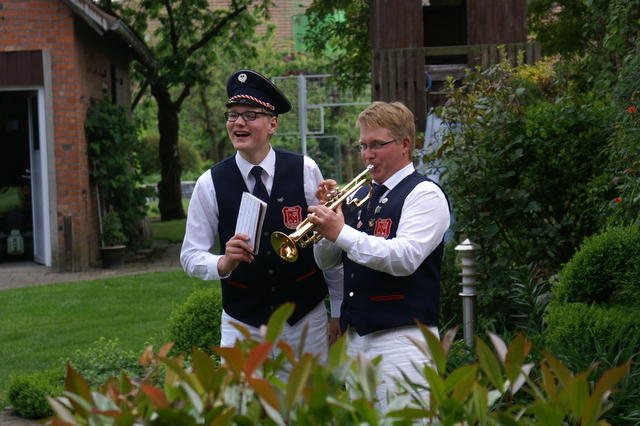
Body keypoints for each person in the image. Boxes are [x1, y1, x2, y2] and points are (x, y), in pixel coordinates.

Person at [180, 69, 342, 364]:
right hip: (242, 323)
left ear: (273, 124)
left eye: (250, 115)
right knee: (242, 407)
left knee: (307, 405)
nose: (239, 122)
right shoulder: (209, 183)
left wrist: (339, 310)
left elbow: (327, 243)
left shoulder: (305, 170)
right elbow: (190, 256)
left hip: (305, 320)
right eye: (233, 115)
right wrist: (223, 262)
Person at [308, 101, 450, 409]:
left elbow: (404, 258)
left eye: (377, 145)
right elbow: (327, 261)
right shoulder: (358, 195)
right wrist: (326, 227)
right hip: (357, 338)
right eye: (362, 146)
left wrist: (341, 232)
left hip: (404, 340)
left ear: (404, 145)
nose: (367, 155)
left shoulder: (425, 194)